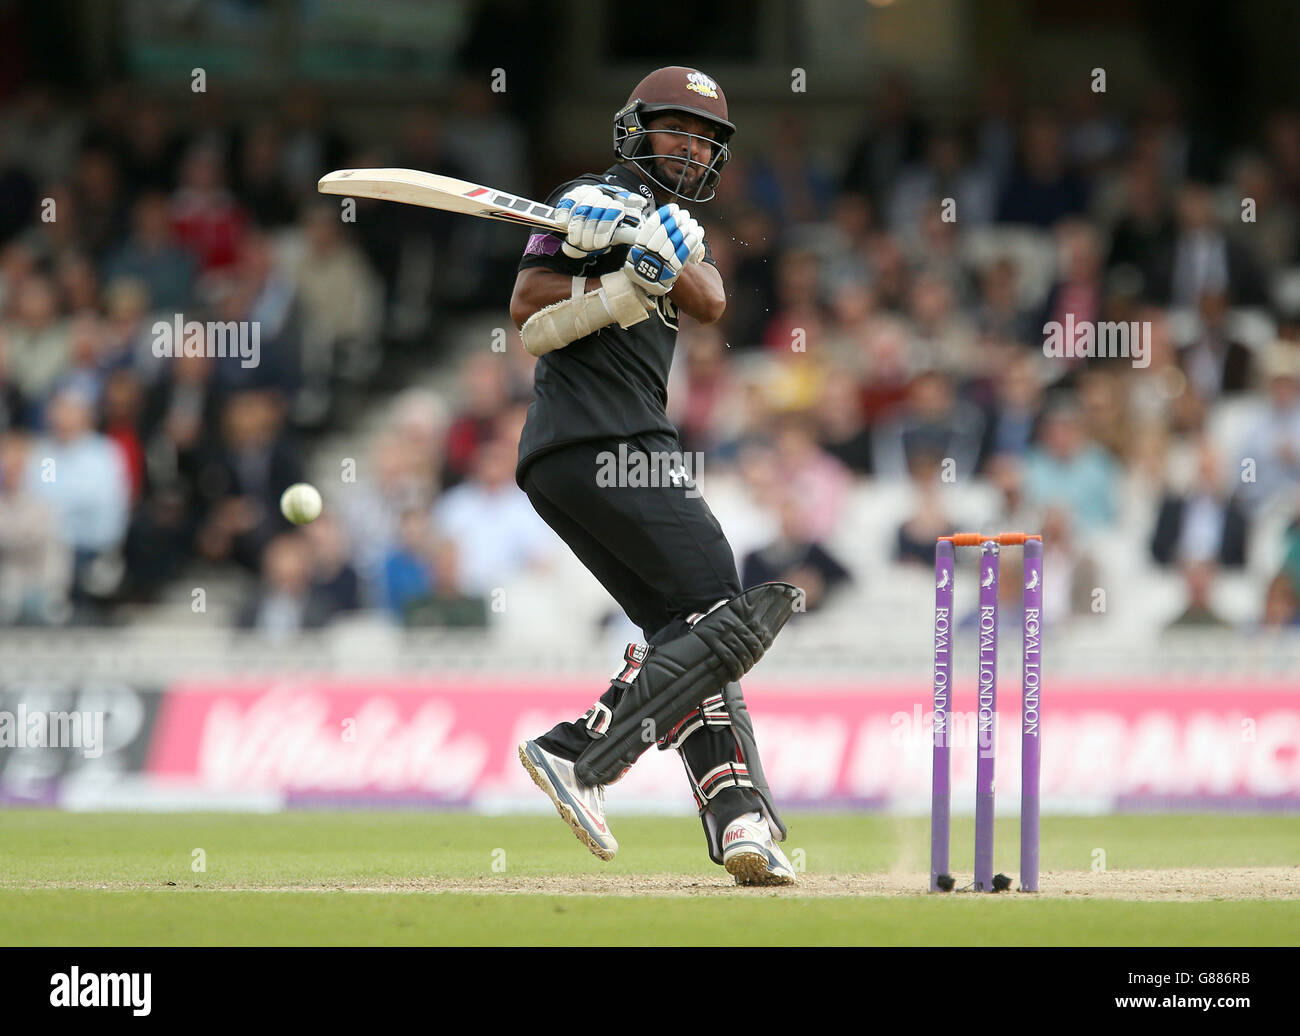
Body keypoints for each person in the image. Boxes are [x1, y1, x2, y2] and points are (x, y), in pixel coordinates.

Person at [509, 67, 801, 886]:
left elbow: (708, 301)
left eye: (706, 138)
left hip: (573, 457)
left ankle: (741, 818)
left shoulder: (672, 224)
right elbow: (527, 306)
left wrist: (654, 247)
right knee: (724, 612)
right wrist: (610, 270)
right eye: (679, 129)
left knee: (695, 634)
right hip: (609, 441)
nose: (693, 147)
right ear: (636, 128)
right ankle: (582, 752)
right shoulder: (581, 198)